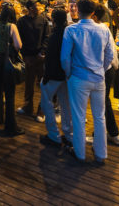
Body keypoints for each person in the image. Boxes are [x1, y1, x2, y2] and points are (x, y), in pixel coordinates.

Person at [61, 0, 115, 164]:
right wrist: (101, 69)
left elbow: (65, 57)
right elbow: (110, 55)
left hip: (78, 77)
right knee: (99, 117)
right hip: (98, 78)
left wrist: (69, 73)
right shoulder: (104, 29)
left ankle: (80, 153)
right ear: (93, 12)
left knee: (78, 116)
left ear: (77, 10)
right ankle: (101, 154)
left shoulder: (71, 30)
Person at [86, 4, 119, 147]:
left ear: (93, 16)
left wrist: (99, 70)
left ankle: (109, 135)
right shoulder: (103, 29)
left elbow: (106, 55)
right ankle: (112, 134)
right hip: (108, 69)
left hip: (104, 70)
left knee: (101, 104)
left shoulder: (97, 30)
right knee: (103, 102)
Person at [39, 9, 73, 147]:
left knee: (46, 103)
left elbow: (51, 58)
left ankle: (54, 135)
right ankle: (69, 134)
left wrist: (46, 76)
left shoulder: (54, 35)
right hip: (66, 74)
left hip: (53, 75)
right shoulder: (68, 33)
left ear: (53, 19)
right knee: (66, 104)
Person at [0, 4, 24, 136]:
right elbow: (18, 45)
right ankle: (10, 126)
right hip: (7, 61)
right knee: (9, 94)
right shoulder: (12, 26)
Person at [16, 0, 50, 120]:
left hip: (41, 57)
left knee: (43, 85)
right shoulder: (22, 21)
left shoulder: (43, 20)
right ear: (30, 8)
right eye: (37, 6)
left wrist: (42, 52)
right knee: (28, 84)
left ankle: (42, 110)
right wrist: (24, 55)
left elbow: (47, 37)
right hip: (28, 57)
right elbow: (19, 38)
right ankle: (27, 106)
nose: (40, 8)